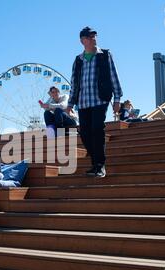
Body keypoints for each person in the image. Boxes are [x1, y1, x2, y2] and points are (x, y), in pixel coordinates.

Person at [68, 27, 123, 178]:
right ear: (82, 40)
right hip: (83, 102)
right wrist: (70, 104)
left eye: (94, 36)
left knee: (97, 130)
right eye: (89, 36)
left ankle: (100, 165)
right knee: (85, 133)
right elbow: (74, 83)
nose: (93, 38)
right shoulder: (78, 60)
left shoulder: (105, 55)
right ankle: (95, 162)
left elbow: (113, 76)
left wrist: (117, 98)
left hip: (100, 99)